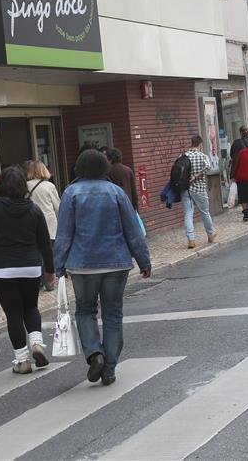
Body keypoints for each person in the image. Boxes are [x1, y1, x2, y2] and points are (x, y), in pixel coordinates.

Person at [53, 150, 151, 387]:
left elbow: (64, 233)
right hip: (116, 263)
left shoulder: (71, 193)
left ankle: (94, 353)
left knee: (85, 311)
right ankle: (109, 368)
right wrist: (143, 260)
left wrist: (59, 264)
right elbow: (133, 229)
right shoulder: (116, 193)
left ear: (79, 168)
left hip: (82, 265)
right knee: (113, 314)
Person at [0, 167, 55, 374]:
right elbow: (45, 244)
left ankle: (22, 361)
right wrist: (50, 269)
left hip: (3, 270)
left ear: (2, 185)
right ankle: (37, 343)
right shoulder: (34, 210)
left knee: (13, 314)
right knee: (31, 308)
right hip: (31, 267)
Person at [26, 160, 61, 290]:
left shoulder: (26, 185)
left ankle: (38, 280)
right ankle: (49, 280)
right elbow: (57, 206)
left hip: (32, 222)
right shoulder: (49, 186)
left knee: (36, 253)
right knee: (49, 252)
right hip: (49, 223)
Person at [180, 136, 217, 249]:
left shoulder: (183, 156)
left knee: (188, 214)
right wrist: (197, 176)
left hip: (185, 190)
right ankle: (210, 234)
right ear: (200, 144)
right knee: (205, 212)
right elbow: (208, 168)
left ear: (191, 143)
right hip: (199, 189)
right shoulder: (202, 156)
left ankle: (191, 240)